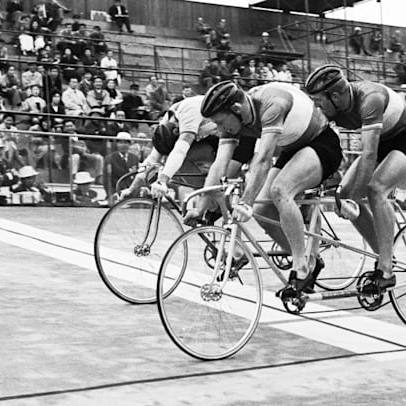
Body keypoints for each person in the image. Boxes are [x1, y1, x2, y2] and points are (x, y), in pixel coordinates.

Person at [189, 80, 343, 298]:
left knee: (280, 190)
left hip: (322, 143)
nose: (220, 130)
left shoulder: (272, 103)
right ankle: (309, 259)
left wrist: (245, 202)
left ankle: (301, 269)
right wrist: (200, 207)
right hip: (293, 148)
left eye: (221, 123)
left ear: (236, 109)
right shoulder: (235, 117)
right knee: (262, 210)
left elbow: (263, 160)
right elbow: (219, 165)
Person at [304, 65, 406, 292]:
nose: (317, 106)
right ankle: (385, 256)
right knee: (342, 196)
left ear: (335, 96)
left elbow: (369, 154)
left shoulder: (370, 98)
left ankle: (386, 270)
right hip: (381, 143)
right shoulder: (332, 106)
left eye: (319, 101)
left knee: (376, 189)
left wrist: (354, 198)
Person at [122, 95, 255, 199]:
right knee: (201, 184)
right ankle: (203, 195)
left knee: (216, 186)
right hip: (216, 135)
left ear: (177, 131)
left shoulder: (188, 115)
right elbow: (151, 161)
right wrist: (131, 189)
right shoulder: (165, 126)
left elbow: (180, 150)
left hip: (238, 133)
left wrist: (162, 180)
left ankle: (223, 205)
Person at [103, 132, 138, 200]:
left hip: (131, 195)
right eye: (120, 143)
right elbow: (107, 180)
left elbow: (136, 177)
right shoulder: (110, 158)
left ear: (129, 144)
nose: (123, 145)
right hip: (116, 194)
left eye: (126, 143)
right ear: (116, 144)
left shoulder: (134, 158)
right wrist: (111, 195)